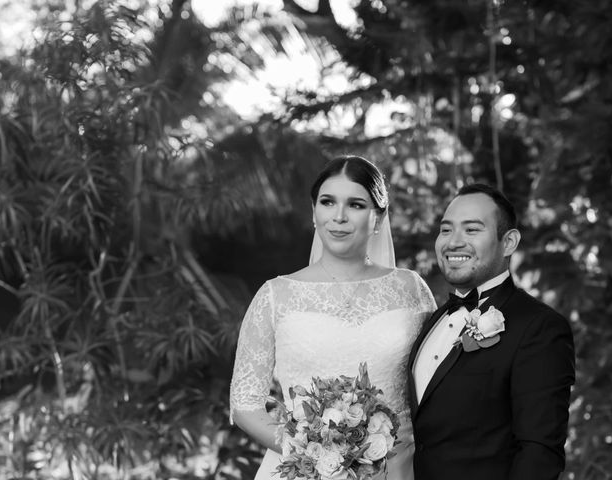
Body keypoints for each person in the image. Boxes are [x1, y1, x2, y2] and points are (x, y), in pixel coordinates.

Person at [230, 155, 436, 480]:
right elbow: (244, 403)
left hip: (397, 470)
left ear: (378, 217)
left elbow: (437, 389)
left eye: (355, 204)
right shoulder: (274, 296)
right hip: (302, 472)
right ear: (314, 211)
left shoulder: (410, 289)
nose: (338, 216)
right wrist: (315, 452)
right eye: (328, 202)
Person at [407, 183, 575, 480]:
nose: (453, 242)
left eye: (472, 230)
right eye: (446, 230)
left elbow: (539, 454)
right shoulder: (432, 320)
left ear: (508, 242)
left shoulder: (540, 328)